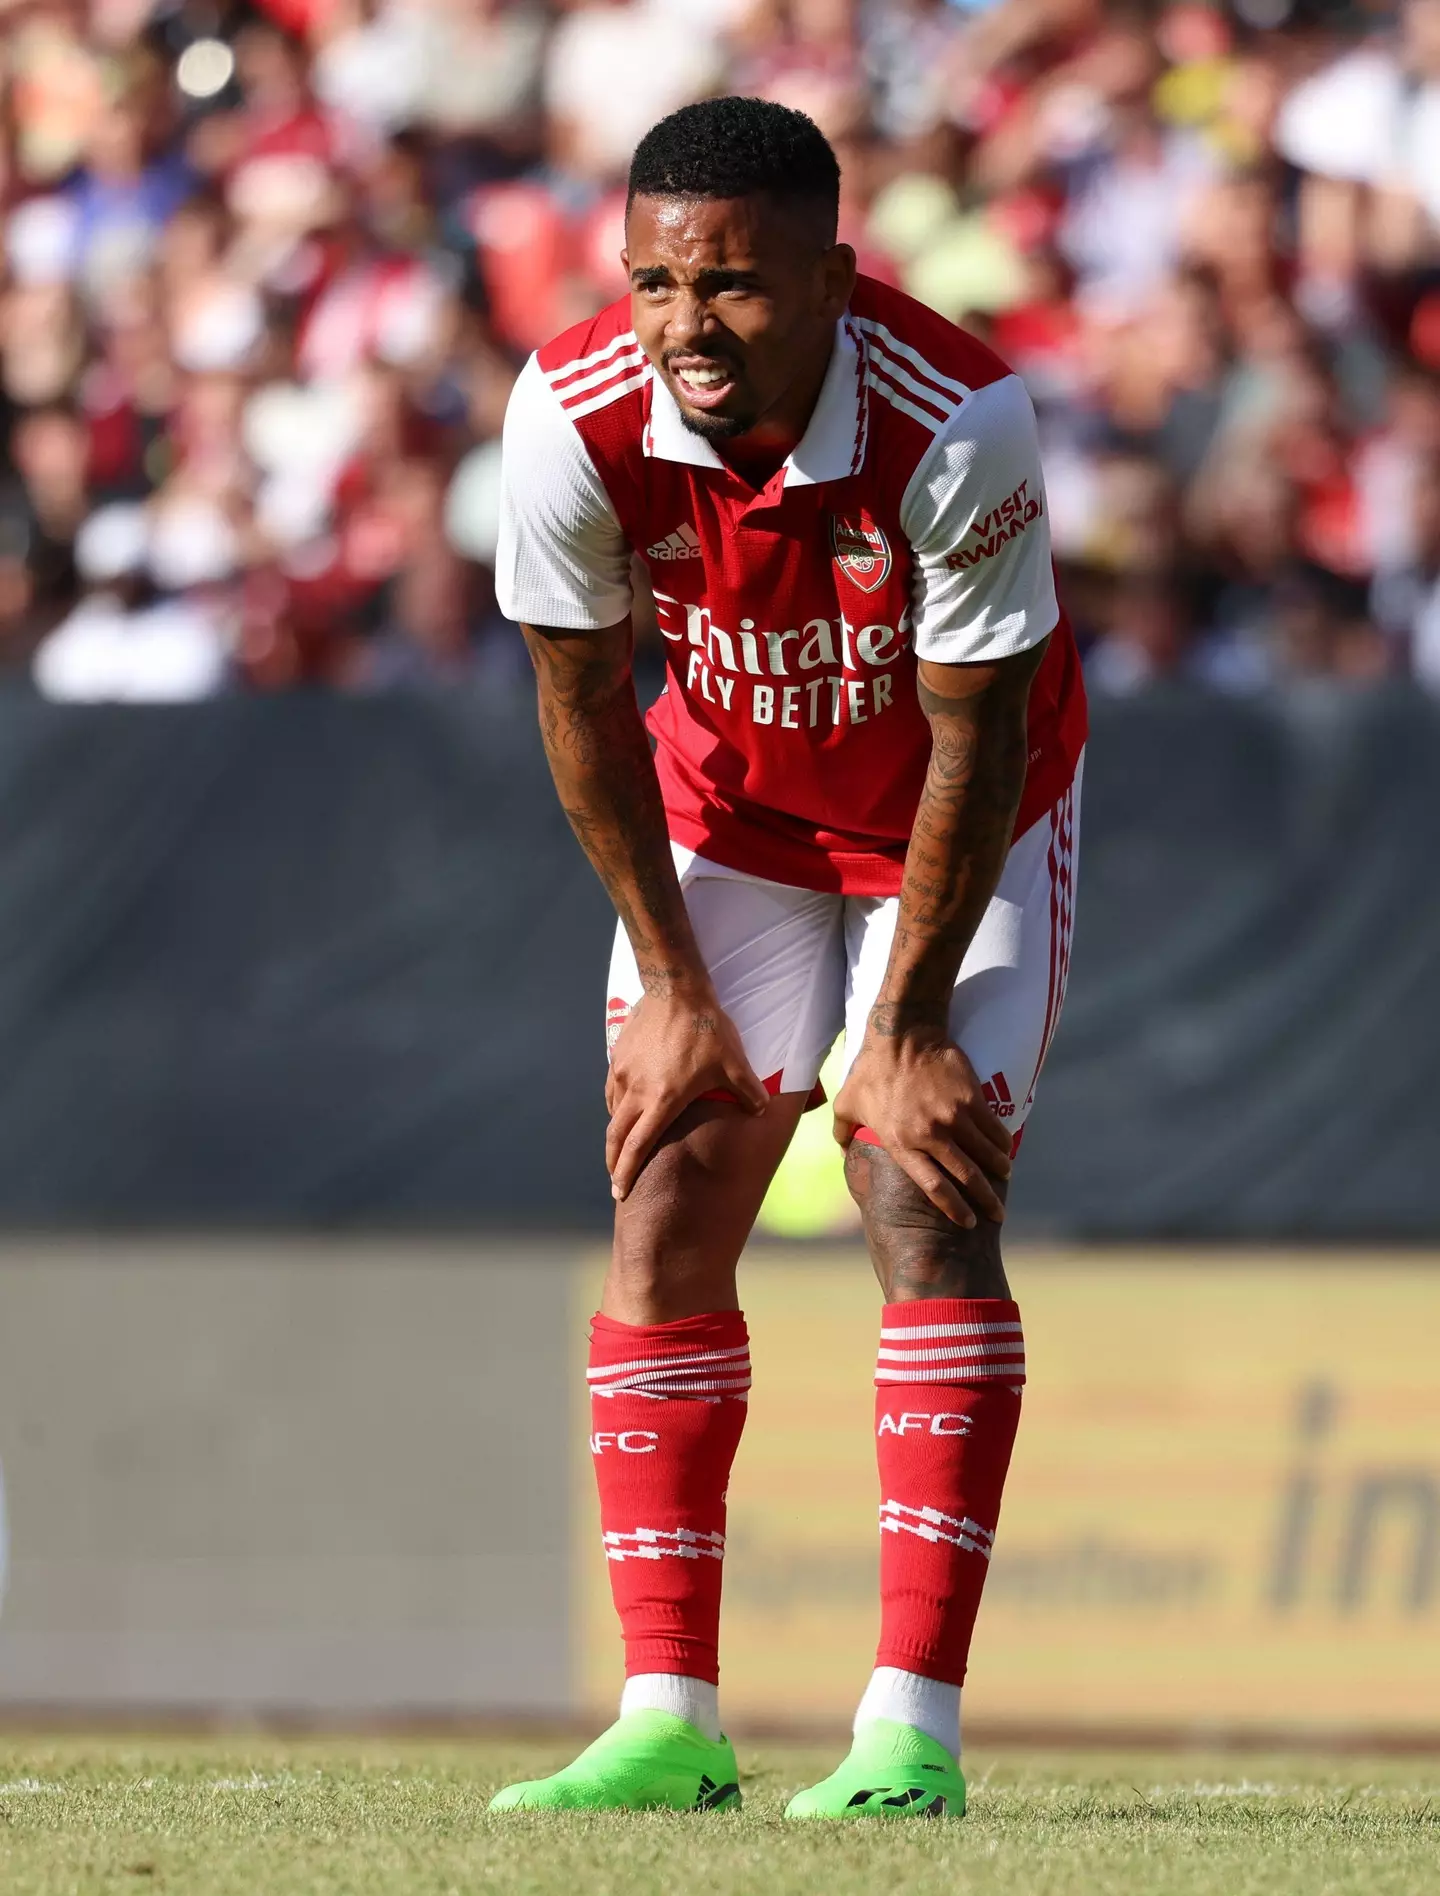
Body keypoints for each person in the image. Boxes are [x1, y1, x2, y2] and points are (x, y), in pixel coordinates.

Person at [491, 96, 1086, 1820]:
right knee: (666, 1187)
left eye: (736, 286)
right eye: (658, 282)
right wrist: (673, 988)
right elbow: (581, 707)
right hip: (729, 817)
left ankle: (910, 1733)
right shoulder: (568, 410)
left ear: (836, 272)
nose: (687, 326)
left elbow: (978, 744)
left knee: (920, 1179)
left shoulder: (959, 417)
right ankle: (668, 1719)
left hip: (948, 829)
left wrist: (897, 1026)